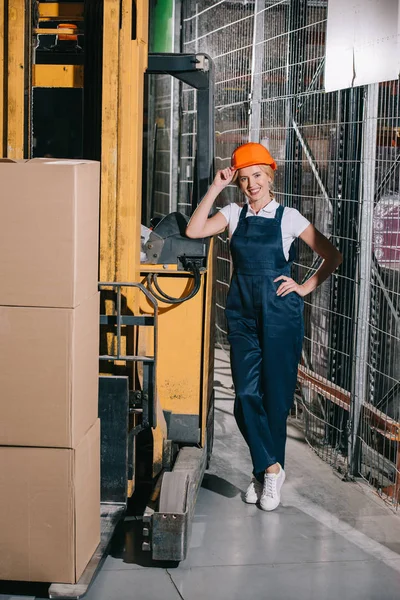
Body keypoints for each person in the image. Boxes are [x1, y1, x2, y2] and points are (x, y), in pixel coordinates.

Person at [186, 142, 342, 511]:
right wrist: (215, 187)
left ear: (270, 176)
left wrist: (303, 286)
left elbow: (332, 254)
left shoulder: (289, 218)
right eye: (243, 178)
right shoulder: (232, 213)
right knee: (245, 396)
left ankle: (266, 476)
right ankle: (269, 466)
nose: (251, 184)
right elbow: (194, 231)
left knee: (276, 399)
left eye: (257, 175)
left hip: (280, 314)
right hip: (241, 314)